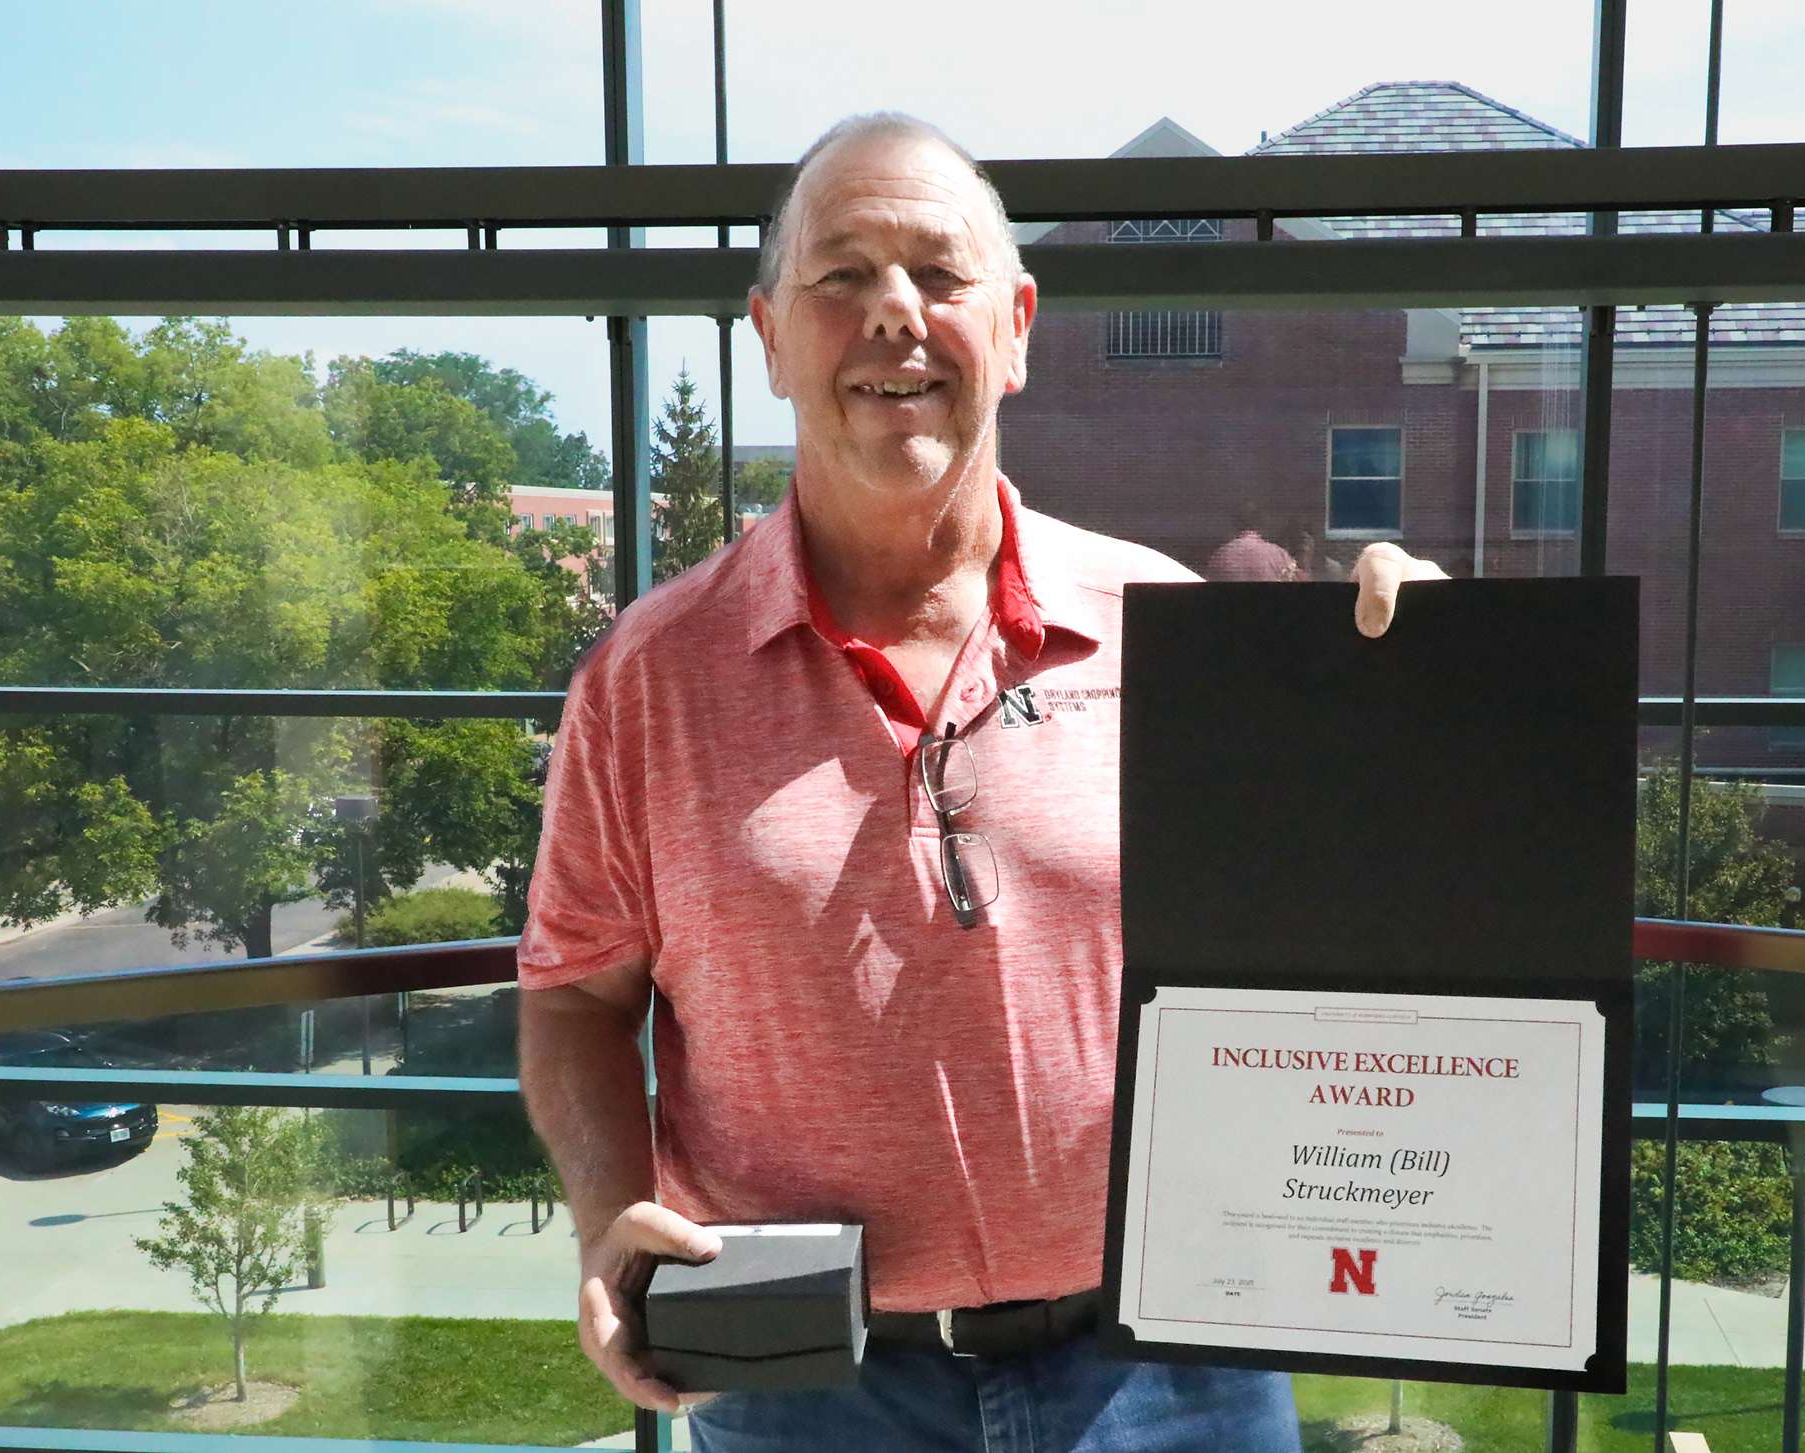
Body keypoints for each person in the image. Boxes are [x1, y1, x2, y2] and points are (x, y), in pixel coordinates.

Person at [516, 113, 1447, 1453]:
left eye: (938, 276)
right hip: (805, 1391)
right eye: (839, 276)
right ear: (769, 335)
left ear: (1014, 328)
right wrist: (609, 1216)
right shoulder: (646, 682)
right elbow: (574, 997)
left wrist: (1426, 694)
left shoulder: (1167, 632)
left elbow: (1349, 923)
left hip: (1176, 1361)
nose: (893, 311)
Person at [1204, 500, 1301, 582]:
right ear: (1261, 521)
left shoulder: (1219, 556)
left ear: (1234, 523)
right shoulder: (1279, 555)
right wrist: (1305, 559)